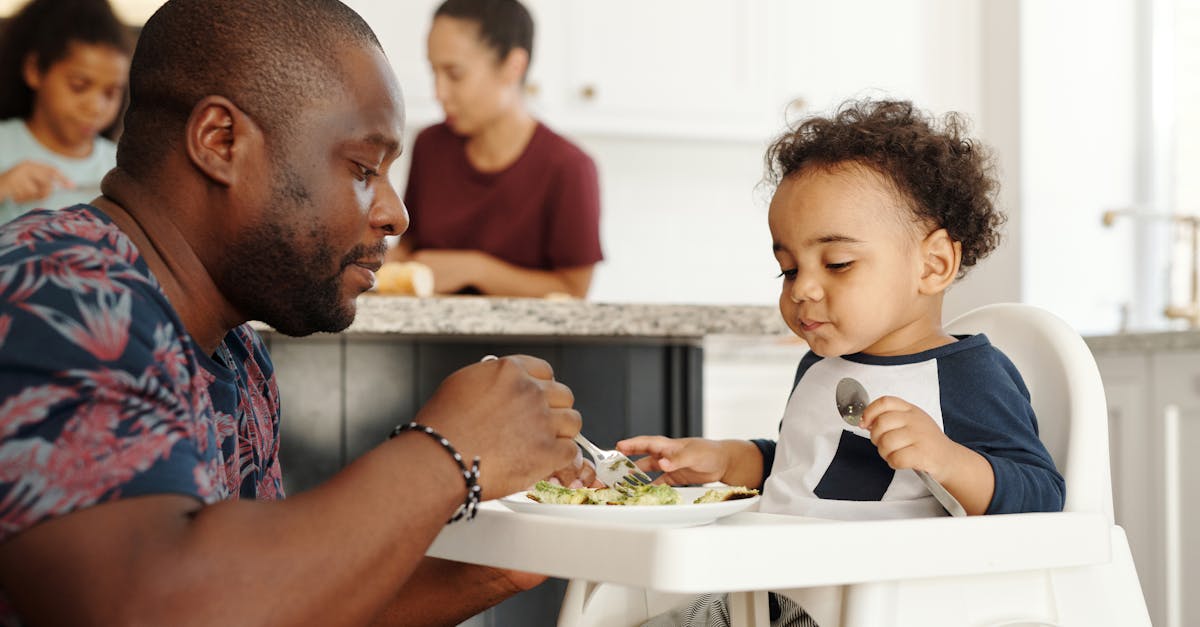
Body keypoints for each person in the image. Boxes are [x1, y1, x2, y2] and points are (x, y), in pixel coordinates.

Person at [0, 0, 591, 625]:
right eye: (364, 167)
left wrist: (506, 564)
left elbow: (269, 605)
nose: (396, 214)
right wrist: (447, 454)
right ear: (221, 141)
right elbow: (156, 606)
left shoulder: (236, 350)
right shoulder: (56, 288)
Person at [620, 100, 1066, 627]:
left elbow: (1041, 498)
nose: (804, 289)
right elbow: (802, 471)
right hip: (771, 589)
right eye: (787, 270)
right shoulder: (819, 367)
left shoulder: (968, 376)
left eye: (837, 264)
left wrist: (946, 458)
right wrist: (725, 460)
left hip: (883, 606)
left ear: (934, 263)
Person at [388, 0, 603, 298]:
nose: (439, 93)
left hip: (526, 345)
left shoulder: (569, 167)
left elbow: (573, 290)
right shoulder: (429, 146)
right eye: (433, 72)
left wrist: (476, 269)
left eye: (455, 74)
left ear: (513, 66)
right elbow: (410, 248)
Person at [0, 0, 131, 225]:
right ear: (34, 70)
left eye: (110, 93)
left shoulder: (122, 166)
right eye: (79, 85)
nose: (95, 107)